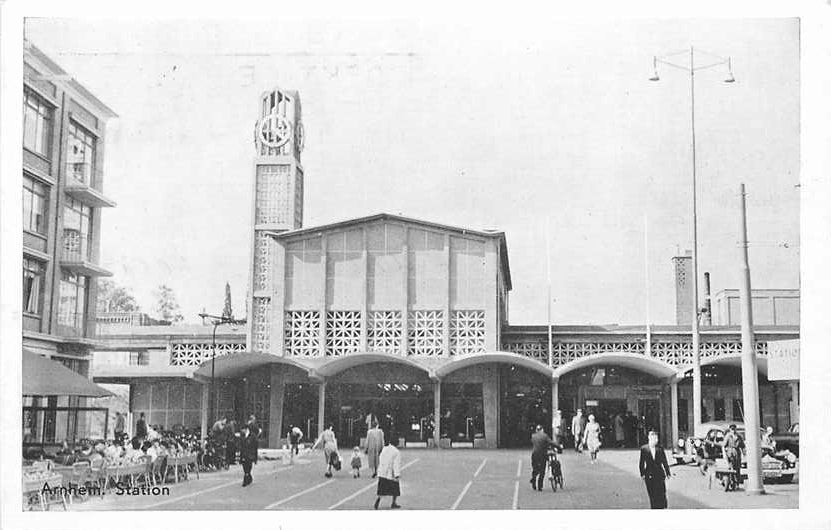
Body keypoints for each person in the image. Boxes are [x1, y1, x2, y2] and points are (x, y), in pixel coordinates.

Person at [639, 430, 672, 509]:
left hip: (659, 474)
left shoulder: (660, 449)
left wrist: (668, 472)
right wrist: (642, 474)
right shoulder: (644, 449)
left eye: (656, 439)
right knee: (652, 495)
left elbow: (664, 461)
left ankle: (662, 507)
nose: (655, 441)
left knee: (661, 493)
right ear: (649, 439)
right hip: (649, 475)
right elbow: (641, 462)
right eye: (653, 439)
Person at [374, 436, 402, 509]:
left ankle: (378, 499)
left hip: (382, 471)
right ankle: (393, 502)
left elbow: (381, 458)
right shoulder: (396, 452)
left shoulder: (385, 449)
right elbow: (396, 464)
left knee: (382, 489)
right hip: (390, 473)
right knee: (395, 489)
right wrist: (397, 475)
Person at [530, 425, 552, 491]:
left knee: (535, 469)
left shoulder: (533, 436)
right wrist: (558, 447)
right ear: (542, 429)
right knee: (542, 470)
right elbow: (551, 442)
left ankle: (533, 480)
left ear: (536, 430)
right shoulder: (545, 436)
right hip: (542, 455)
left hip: (534, 455)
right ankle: (540, 486)